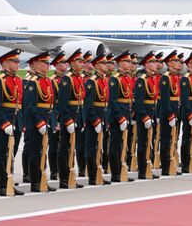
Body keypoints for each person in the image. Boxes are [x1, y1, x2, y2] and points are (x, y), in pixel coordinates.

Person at [0, 48, 24, 196]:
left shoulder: (18, 80)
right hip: (4, 123)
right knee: (1, 154)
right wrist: (5, 124)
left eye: (18, 61)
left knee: (11, 153)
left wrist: (20, 124)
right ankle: (2, 185)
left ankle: (9, 179)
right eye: (15, 61)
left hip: (16, 122)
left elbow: (20, 105)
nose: (18, 64)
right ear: (5, 63)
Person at [23, 51, 57, 192]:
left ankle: (43, 178)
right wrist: (39, 123)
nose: (48, 66)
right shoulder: (33, 83)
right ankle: (35, 181)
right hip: (35, 123)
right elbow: (30, 106)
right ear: (36, 64)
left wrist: (52, 122)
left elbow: (51, 105)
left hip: (46, 121)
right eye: (45, 63)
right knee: (35, 152)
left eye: (49, 63)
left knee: (43, 151)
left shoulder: (48, 81)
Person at [56, 48, 85, 189]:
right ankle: (64, 178)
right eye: (80, 61)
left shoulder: (78, 78)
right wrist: (67, 120)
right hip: (69, 118)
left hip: (77, 117)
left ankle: (70, 175)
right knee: (64, 148)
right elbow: (62, 103)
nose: (83, 64)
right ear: (73, 63)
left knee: (72, 148)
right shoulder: (67, 79)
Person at [83, 53, 112, 185]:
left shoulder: (104, 80)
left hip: (103, 117)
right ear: (97, 66)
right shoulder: (92, 81)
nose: (106, 65)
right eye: (104, 63)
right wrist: (95, 121)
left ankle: (99, 171)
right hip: (94, 119)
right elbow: (88, 105)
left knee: (101, 146)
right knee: (92, 147)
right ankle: (93, 175)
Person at [108, 50, 135, 182]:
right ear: (120, 63)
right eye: (127, 61)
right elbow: (113, 101)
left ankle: (122, 168)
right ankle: (115, 172)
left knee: (125, 143)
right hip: (117, 117)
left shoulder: (127, 78)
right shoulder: (115, 79)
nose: (130, 64)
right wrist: (120, 117)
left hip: (126, 115)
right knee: (116, 144)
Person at [133, 51, 160, 179]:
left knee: (150, 142)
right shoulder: (141, 80)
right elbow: (139, 103)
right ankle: (142, 170)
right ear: (146, 64)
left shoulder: (152, 79)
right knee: (143, 143)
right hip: (144, 117)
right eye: (153, 62)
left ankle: (148, 167)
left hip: (152, 115)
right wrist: (144, 117)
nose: (156, 64)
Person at [48, 51, 68, 180]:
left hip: (65, 114)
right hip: (56, 115)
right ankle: (54, 170)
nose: (66, 65)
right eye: (63, 63)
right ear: (56, 65)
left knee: (65, 145)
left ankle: (63, 169)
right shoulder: (53, 81)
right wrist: (56, 120)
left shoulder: (66, 79)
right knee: (54, 144)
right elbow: (53, 102)